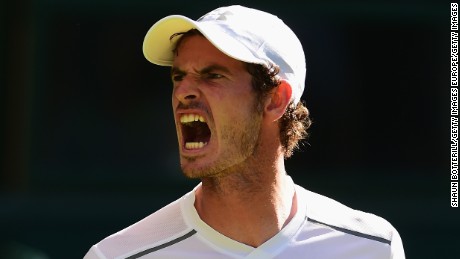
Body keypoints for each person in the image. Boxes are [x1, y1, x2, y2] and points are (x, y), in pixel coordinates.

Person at [84, 5, 405, 259]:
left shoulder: (374, 247)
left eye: (212, 76)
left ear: (275, 99)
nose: (183, 92)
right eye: (178, 77)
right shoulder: (116, 256)